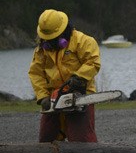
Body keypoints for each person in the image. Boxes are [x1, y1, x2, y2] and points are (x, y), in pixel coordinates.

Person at [28, 9, 100, 142]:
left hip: (80, 95)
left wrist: (79, 77)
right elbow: (36, 73)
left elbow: (93, 62)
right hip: (53, 99)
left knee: (81, 141)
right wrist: (43, 96)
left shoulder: (83, 41)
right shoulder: (42, 49)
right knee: (47, 139)